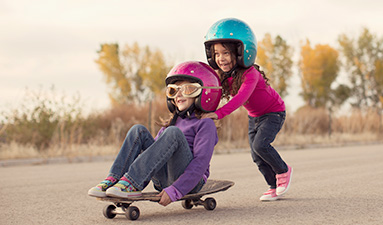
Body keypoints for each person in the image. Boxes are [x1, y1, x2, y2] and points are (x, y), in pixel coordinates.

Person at [88, 61, 222, 206]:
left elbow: (200, 164)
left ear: (205, 92)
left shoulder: (205, 124)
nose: (178, 95)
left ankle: (131, 182)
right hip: (163, 179)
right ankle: (115, 179)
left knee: (173, 133)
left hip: (191, 183)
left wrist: (176, 190)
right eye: (173, 90)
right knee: (137, 130)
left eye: (187, 89)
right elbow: (154, 155)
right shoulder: (172, 123)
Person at [202, 18, 293, 201]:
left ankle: (283, 170)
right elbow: (212, 93)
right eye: (217, 54)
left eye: (226, 53)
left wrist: (218, 114)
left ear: (242, 51)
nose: (221, 58)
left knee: (261, 145)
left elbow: (240, 99)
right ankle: (273, 186)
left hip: (273, 113)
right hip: (255, 116)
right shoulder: (224, 75)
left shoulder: (251, 74)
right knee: (256, 155)